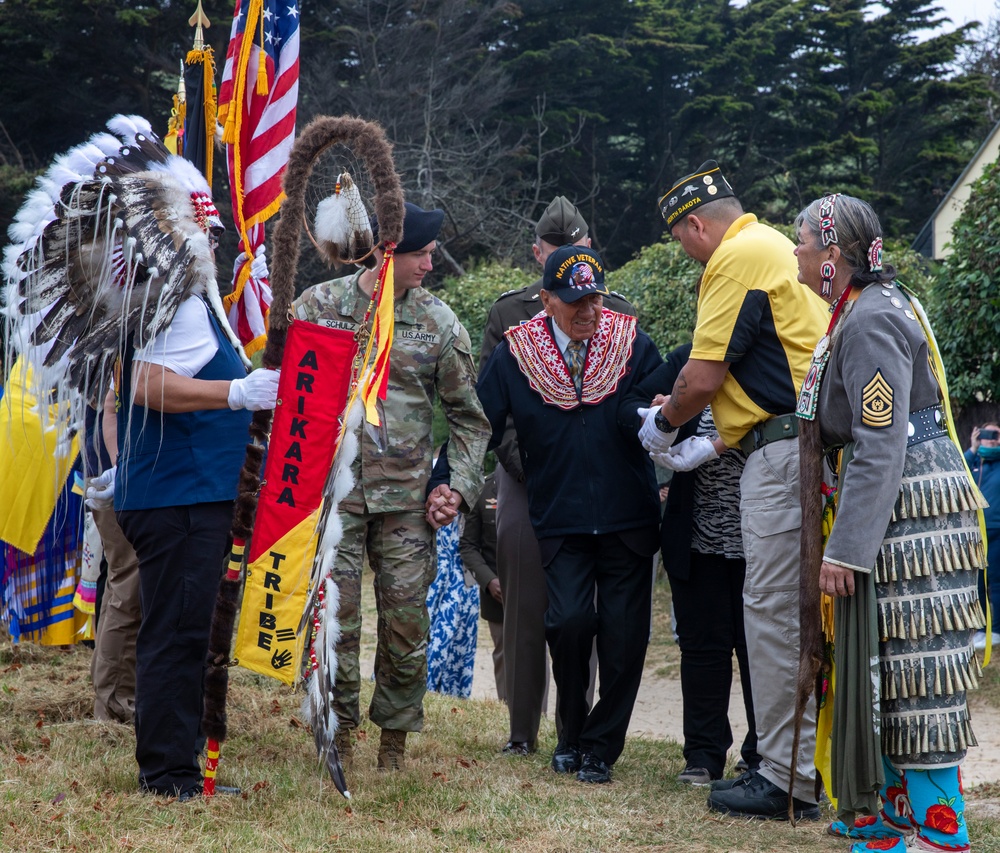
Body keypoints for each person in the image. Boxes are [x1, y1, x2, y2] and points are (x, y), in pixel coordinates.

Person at [794, 193, 985, 853]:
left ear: (833, 257)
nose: (795, 252)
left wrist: (846, 549)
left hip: (910, 517)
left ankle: (935, 830)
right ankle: (890, 820)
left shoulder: (871, 318)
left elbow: (881, 438)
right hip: (896, 512)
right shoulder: (864, 309)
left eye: (803, 243)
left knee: (914, 666)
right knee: (888, 664)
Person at [647, 160, 828, 818]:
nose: (687, 255)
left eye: (680, 241)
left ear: (696, 225)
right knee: (798, 616)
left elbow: (701, 375)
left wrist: (661, 428)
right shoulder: (777, 245)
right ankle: (807, 764)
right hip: (801, 443)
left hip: (782, 454)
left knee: (773, 617)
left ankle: (783, 775)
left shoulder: (734, 257)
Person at [293, 202, 490, 771]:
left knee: (406, 625)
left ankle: (394, 745)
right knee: (337, 622)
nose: (431, 263)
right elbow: (289, 405)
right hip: (336, 503)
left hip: (407, 504)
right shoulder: (320, 308)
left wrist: (456, 485)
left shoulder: (439, 322)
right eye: (422, 254)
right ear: (386, 253)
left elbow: (469, 419)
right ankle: (340, 738)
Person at [477, 245, 662, 784]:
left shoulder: (630, 343)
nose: (588, 311)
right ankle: (571, 731)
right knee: (569, 624)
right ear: (547, 300)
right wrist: (448, 481)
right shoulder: (515, 354)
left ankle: (600, 748)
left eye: (595, 299)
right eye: (576, 301)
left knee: (625, 639)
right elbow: (478, 423)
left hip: (627, 515)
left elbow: (666, 410)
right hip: (559, 516)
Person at [623, 342, 758, 787]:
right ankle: (703, 755)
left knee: (760, 652)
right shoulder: (689, 360)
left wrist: (719, 442)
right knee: (702, 650)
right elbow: (629, 403)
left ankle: (763, 756)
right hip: (698, 537)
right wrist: (657, 415)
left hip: (763, 541)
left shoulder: (776, 360)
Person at [459, 470, 505, 701]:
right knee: (504, 655)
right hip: (497, 594)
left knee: (535, 655)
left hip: (535, 589)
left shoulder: (541, 480)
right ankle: (510, 715)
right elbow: (468, 545)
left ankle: (541, 718)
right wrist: (488, 580)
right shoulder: (483, 489)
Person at [965, 422, 1000, 650]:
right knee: (976, 584)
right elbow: (958, 473)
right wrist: (973, 448)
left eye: (996, 435)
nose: (992, 439)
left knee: (996, 583)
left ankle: (996, 630)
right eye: (987, 434)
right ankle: (980, 628)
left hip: (997, 533)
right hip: (975, 535)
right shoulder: (975, 462)